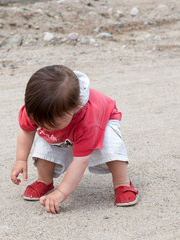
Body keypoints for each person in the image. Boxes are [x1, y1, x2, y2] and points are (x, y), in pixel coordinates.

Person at [10, 65, 138, 214]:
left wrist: (62, 193)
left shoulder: (88, 121)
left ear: (75, 107)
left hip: (104, 120)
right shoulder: (38, 108)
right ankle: (44, 180)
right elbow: (27, 131)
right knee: (45, 143)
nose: (44, 126)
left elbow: (80, 160)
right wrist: (20, 160)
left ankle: (122, 183)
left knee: (111, 146)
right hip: (69, 122)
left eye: (52, 123)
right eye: (39, 122)